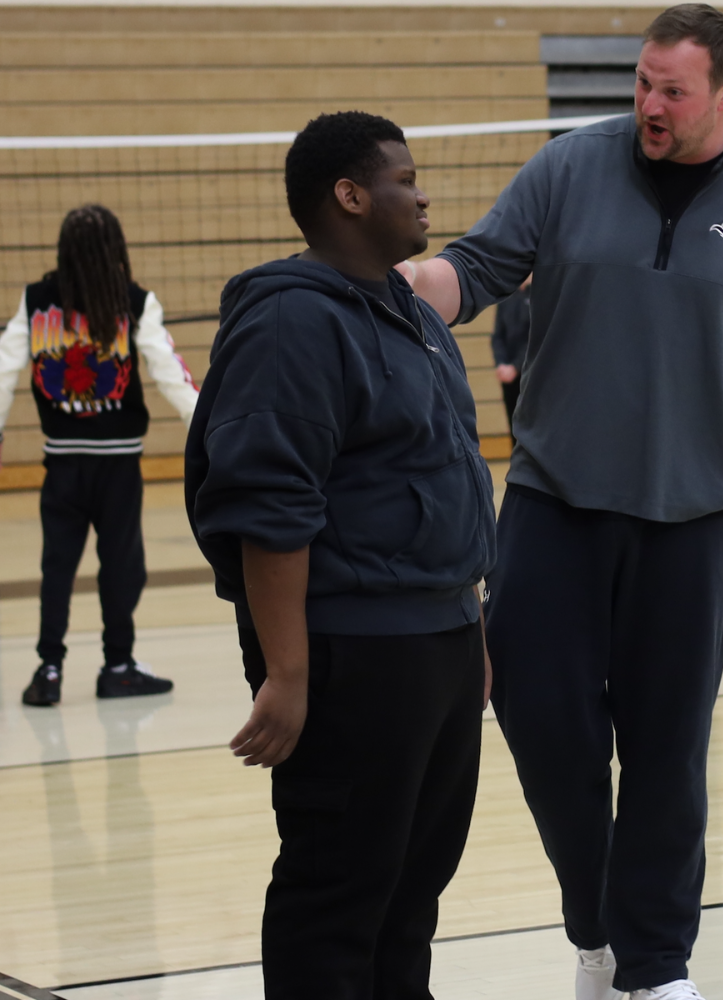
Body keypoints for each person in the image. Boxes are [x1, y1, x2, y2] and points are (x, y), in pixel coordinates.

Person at [399, 5, 723, 999]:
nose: (650, 103)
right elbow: (473, 269)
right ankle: (595, 922)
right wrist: (397, 283)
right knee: (540, 721)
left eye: (673, 90)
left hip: (695, 521)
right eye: (643, 82)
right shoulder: (567, 168)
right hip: (553, 503)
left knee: (667, 752)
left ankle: (655, 967)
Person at [184, 111, 496, 1000]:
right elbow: (268, 507)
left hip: (440, 640)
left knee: (412, 891)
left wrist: (469, 629)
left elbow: (444, 478)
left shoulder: (414, 316)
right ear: (350, 196)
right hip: (353, 652)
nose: (423, 195)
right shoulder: (291, 321)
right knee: (338, 894)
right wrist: (288, 673)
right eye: (405, 179)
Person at [0, 204, 197, 707]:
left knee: (57, 567)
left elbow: (3, 369)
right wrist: (207, 431)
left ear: (62, 251)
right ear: (117, 250)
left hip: (62, 465)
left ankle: (48, 670)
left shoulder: (35, 301)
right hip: (117, 467)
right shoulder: (135, 301)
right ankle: (118, 666)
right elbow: (170, 372)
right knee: (122, 567)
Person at [491, 275, 531, 440]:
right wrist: (501, 363)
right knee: (513, 422)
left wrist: (516, 366)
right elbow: (497, 336)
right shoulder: (506, 298)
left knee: (529, 424)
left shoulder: (539, 297)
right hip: (508, 373)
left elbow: (534, 338)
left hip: (530, 373)